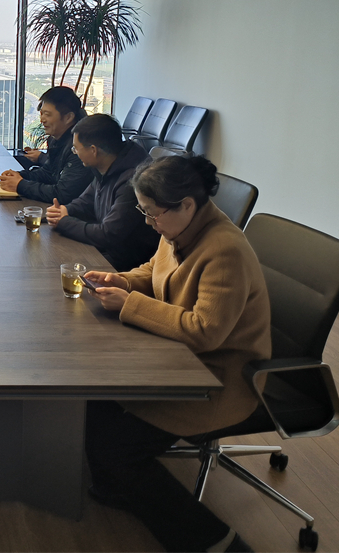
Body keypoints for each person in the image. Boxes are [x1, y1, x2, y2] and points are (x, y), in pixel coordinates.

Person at [83, 154, 270, 553]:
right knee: (91, 396)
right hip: (176, 356)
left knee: (117, 450)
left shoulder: (224, 250)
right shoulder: (179, 227)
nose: (148, 222)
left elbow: (205, 331)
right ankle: (118, 487)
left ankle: (215, 541)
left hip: (218, 378)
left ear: (186, 204)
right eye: (143, 211)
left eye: (152, 213)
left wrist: (129, 304)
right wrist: (121, 280)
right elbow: (154, 270)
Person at [45, 114, 159, 271]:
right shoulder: (106, 165)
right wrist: (65, 211)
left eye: (75, 148)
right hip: (107, 252)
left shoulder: (133, 181)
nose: (74, 153)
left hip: (127, 265)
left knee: (57, 267)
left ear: (93, 150)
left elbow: (108, 235)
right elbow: (86, 201)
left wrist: (64, 222)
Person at [0, 86, 92, 205]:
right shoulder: (55, 139)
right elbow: (48, 173)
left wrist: (20, 185)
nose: (42, 120)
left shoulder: (80, 148)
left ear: (68, 117)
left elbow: (63, 194)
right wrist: (20, 176)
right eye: (41, 114)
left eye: (47, 114)